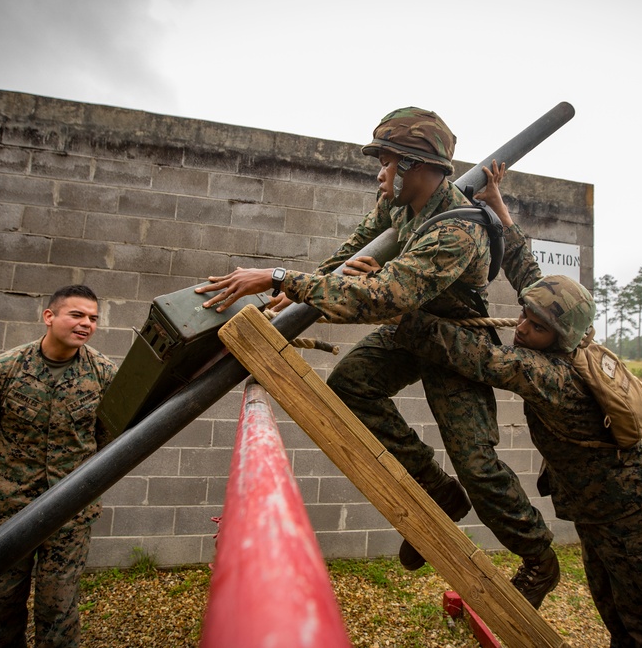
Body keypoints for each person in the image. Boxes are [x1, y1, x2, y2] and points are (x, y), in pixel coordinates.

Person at [195, 108, 559, 607]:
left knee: (477, 465)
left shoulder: (458, 229)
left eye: (387, 162)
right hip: (410, 329)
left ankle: (539, 557)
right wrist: (297, 293)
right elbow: (348, 256)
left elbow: (383, 297)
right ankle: (437, 492)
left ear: (415, 166)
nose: (380, 172)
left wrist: (280, 277)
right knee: (350, 386)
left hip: (455, 344)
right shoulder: (396, 205)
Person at [392, 160, 642, 646]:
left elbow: (474, 355)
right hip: (604, 510)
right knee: (616, 615)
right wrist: (499, 209)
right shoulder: (572, 335)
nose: (521, 326)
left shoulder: (546, 372)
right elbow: (532, 279)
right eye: (524, 316)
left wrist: (398, 300)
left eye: (534, 325)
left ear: (557, 339)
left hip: (630, 519)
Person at [0, 285, 117, 648]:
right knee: (0, 607)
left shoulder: (104, 375)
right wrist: (6, 481)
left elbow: (107, 438)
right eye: (76, 315)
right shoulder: (1, 371)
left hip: (68, 514)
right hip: (5, 511)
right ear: (49, 316)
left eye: (93, 318)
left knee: (59, 612)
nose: (86, 324)